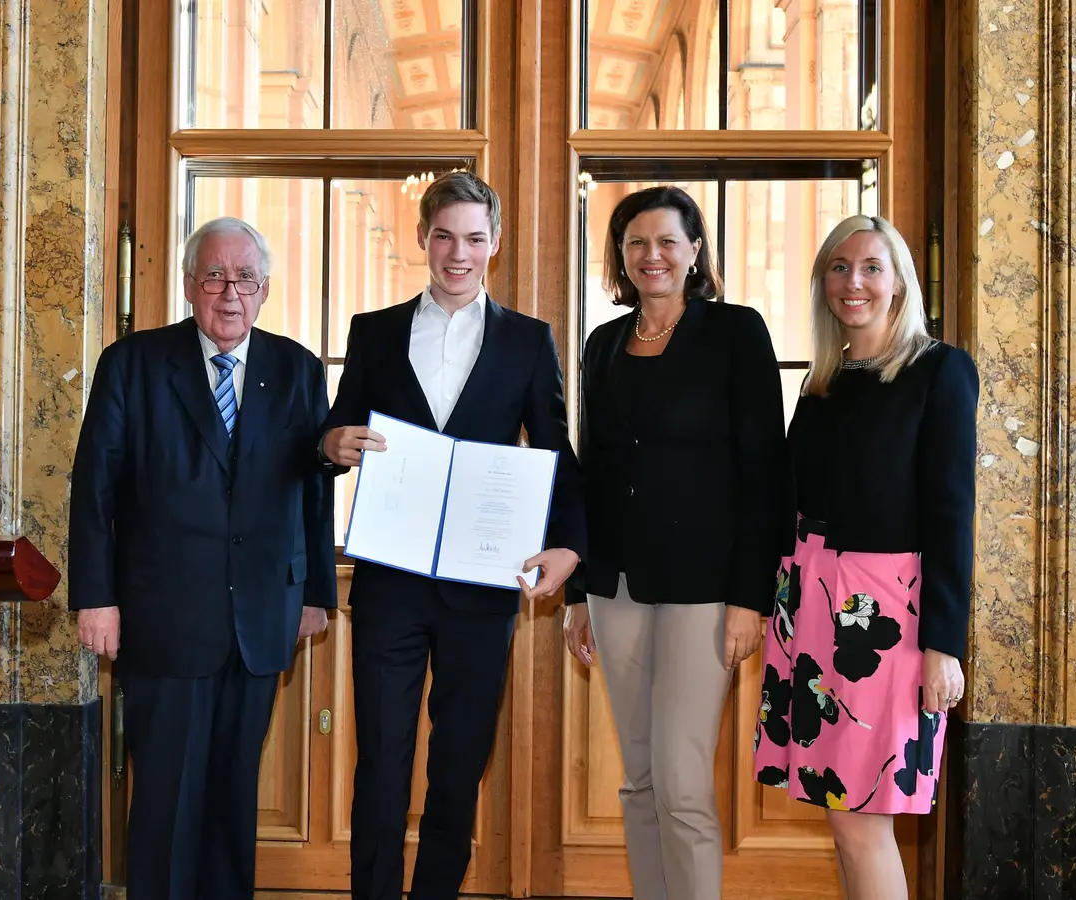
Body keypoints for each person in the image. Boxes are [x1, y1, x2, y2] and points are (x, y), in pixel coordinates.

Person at [319, 170, 587, 900]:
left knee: (460, 760)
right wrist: (332, 442)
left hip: (481, 587)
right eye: (444, 235)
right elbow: (335, 424)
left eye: (473, 238)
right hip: (389, 586)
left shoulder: (530, 341)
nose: (457, 253)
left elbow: (557, 448)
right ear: (422, 239)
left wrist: (569, 545)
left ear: (494, 244)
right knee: (380, 758)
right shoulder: (371, 332)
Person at [68, 217, 336, 900]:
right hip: (163, 619)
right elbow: (94, 488)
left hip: (261, 620)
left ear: (265, 289)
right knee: (164, 802)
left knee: (230, 802)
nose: (229, 291)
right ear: (189, 285)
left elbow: (312, 490)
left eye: (244, 277)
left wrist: (316, 594)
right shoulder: (133, 363)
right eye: (214, 275)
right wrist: (95, 597)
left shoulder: (298, 369)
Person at [562, 185, 788, 900]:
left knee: (684, 783)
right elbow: (588, 468)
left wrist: (751, 597)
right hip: (615, 585)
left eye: (666, 241)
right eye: (636, 243)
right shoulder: (604, 344)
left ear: (695, 250)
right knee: (640, 780)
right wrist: (576, 592)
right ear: (621, 258)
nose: (651, 256)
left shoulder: (736, 333)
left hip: (705, 588)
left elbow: (765, 470)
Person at [752, 214, 976, 899]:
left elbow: (951, 513)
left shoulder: (940, 371)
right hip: (810, 610)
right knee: (841, 816)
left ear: (900, 283)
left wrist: (943, 644)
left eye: (872, 267)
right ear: (823, 284)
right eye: (840, 268)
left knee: (861, 822)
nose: (855, 282)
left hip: (885, 620)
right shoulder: (823, 384)